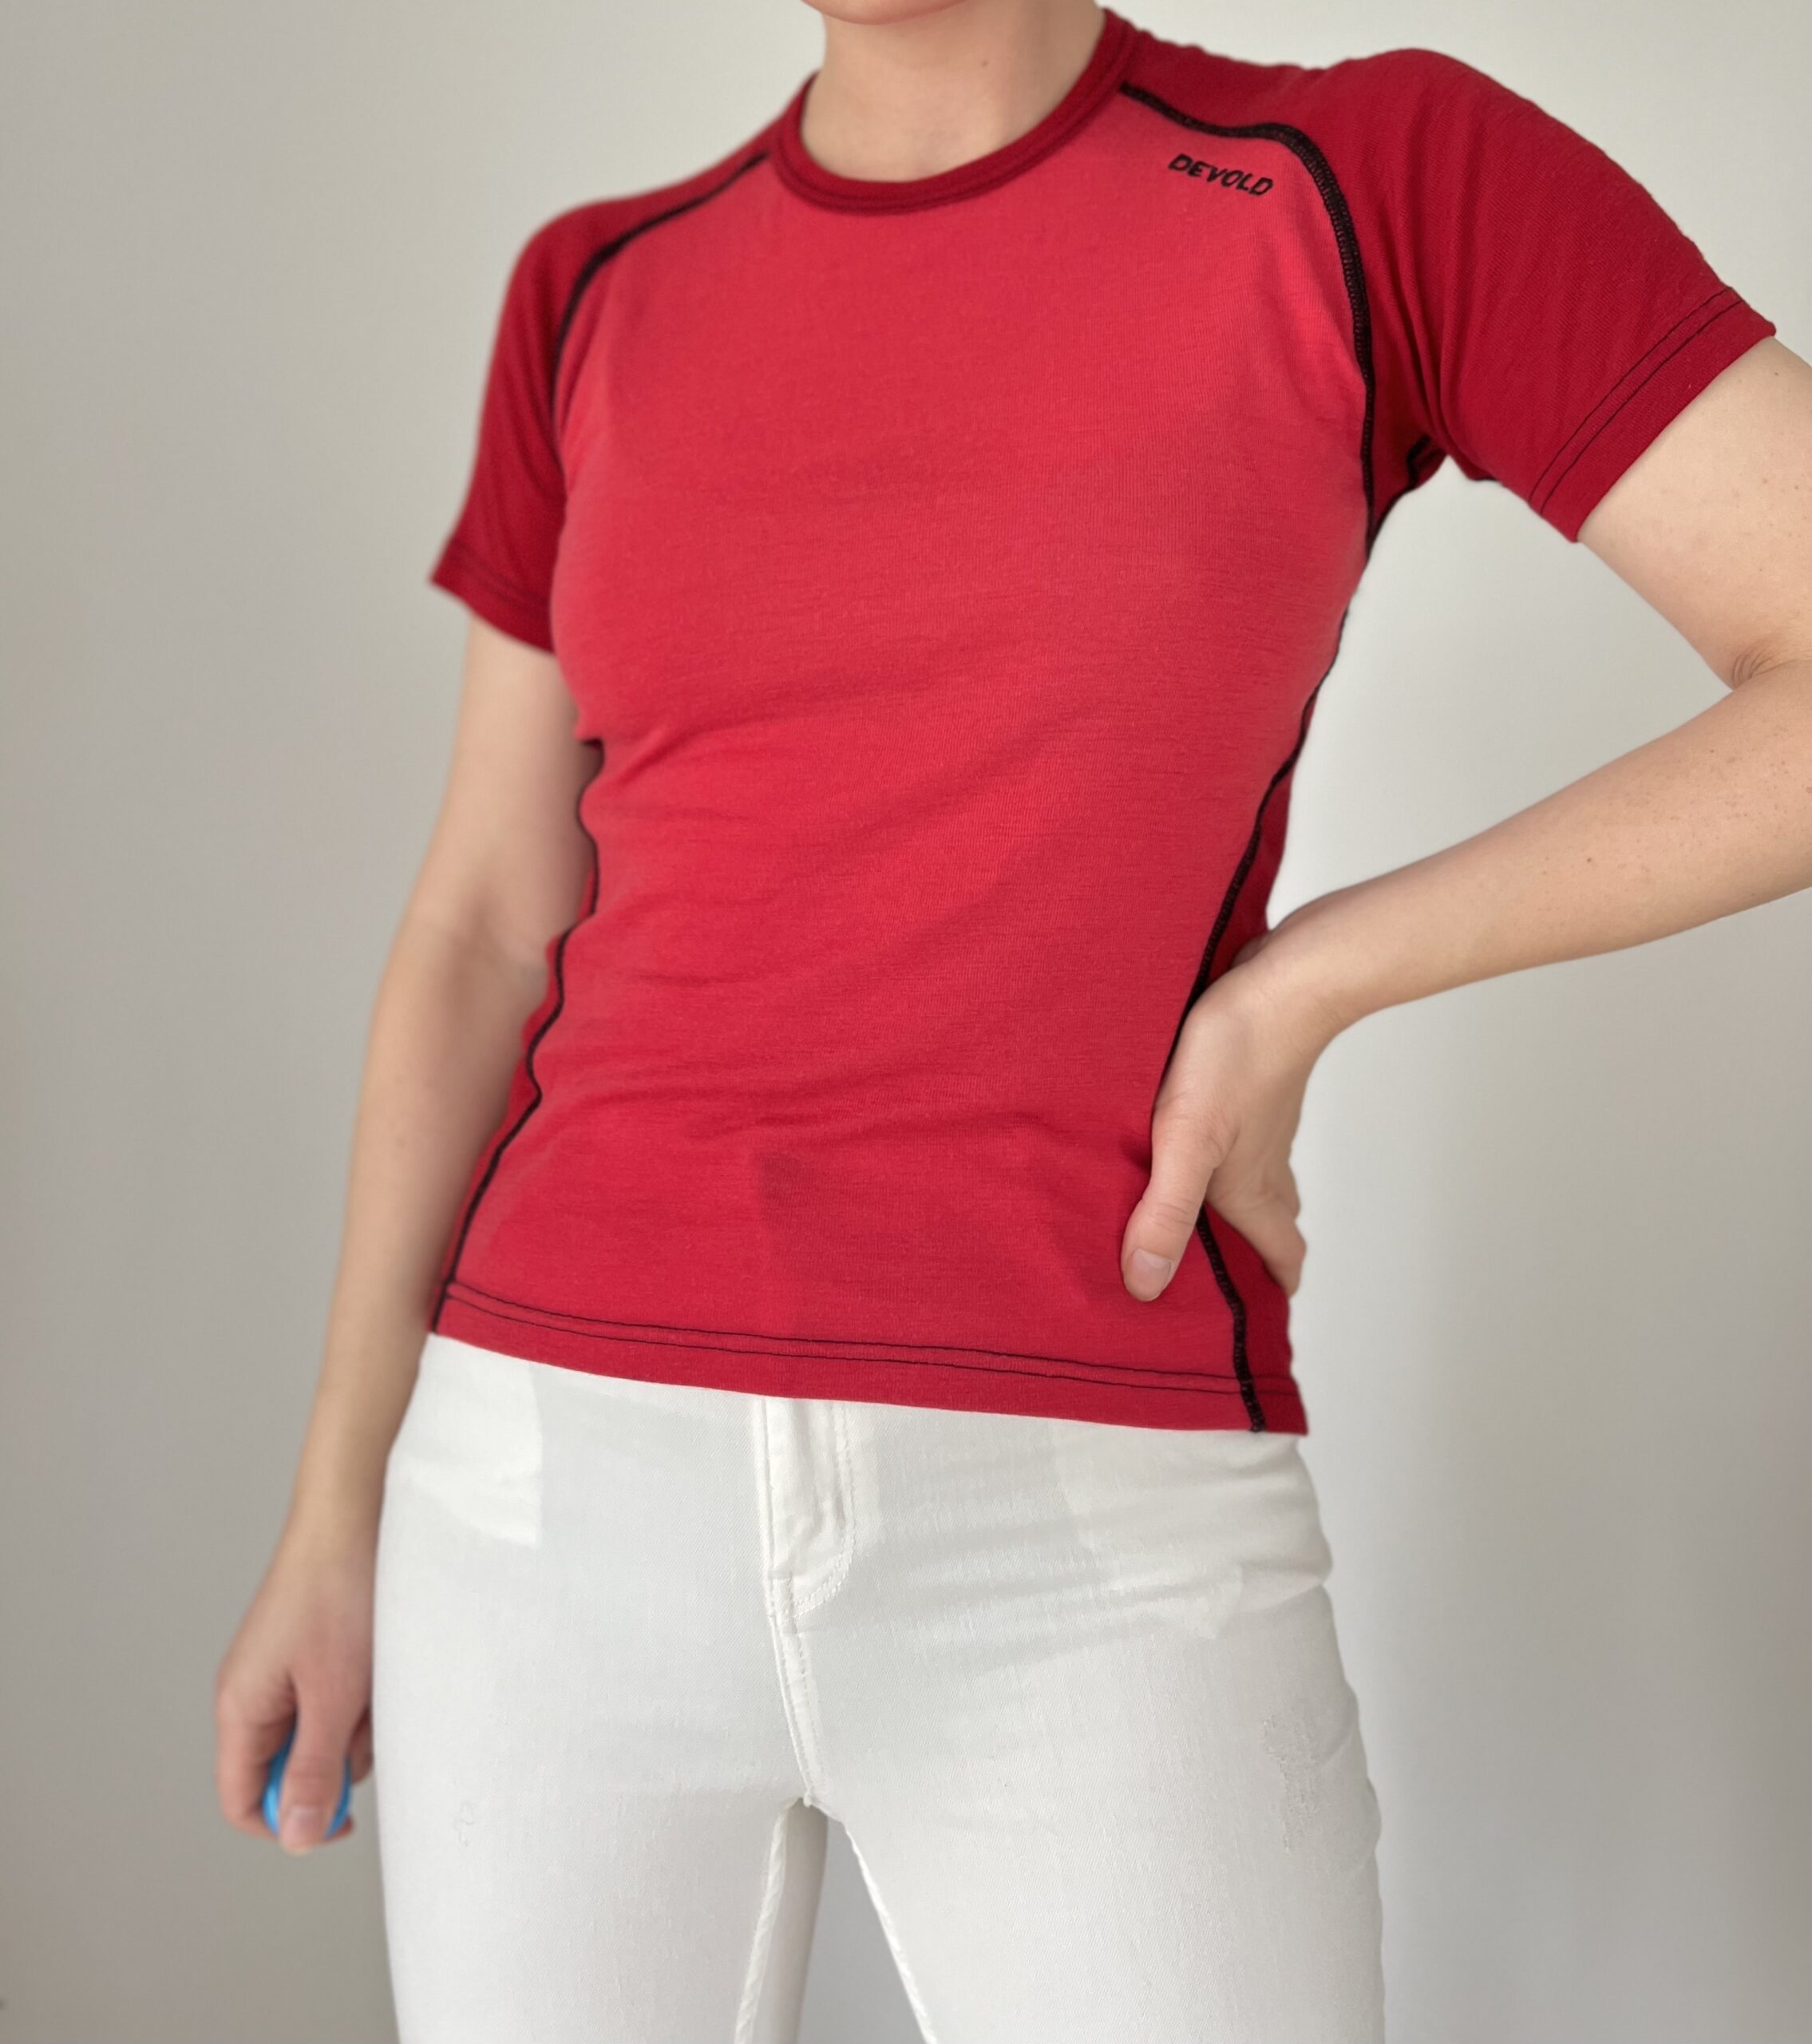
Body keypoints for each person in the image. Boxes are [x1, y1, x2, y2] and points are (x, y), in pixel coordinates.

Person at [213, 0, 1811, 2037]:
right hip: (538, 1489)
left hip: (1092, 1501)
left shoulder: (1370, 182)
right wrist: (334, 1506)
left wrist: (1311, 977)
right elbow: (478, 926)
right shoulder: (596, 289)